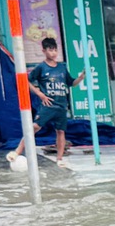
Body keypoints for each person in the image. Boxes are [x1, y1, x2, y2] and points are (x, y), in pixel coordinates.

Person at [9, 36, 83, 165]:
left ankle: (59, 159)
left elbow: (72, 83)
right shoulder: (41, 68)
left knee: (60, 132)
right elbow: (27, 81)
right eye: (50, 50)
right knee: (34, 127)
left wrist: (82, 77)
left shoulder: (62, 68)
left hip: (61, 106)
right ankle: (17, 151)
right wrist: (39, 94)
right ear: (44, 51)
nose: (53, 53)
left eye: (55, 50)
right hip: (48, 105)